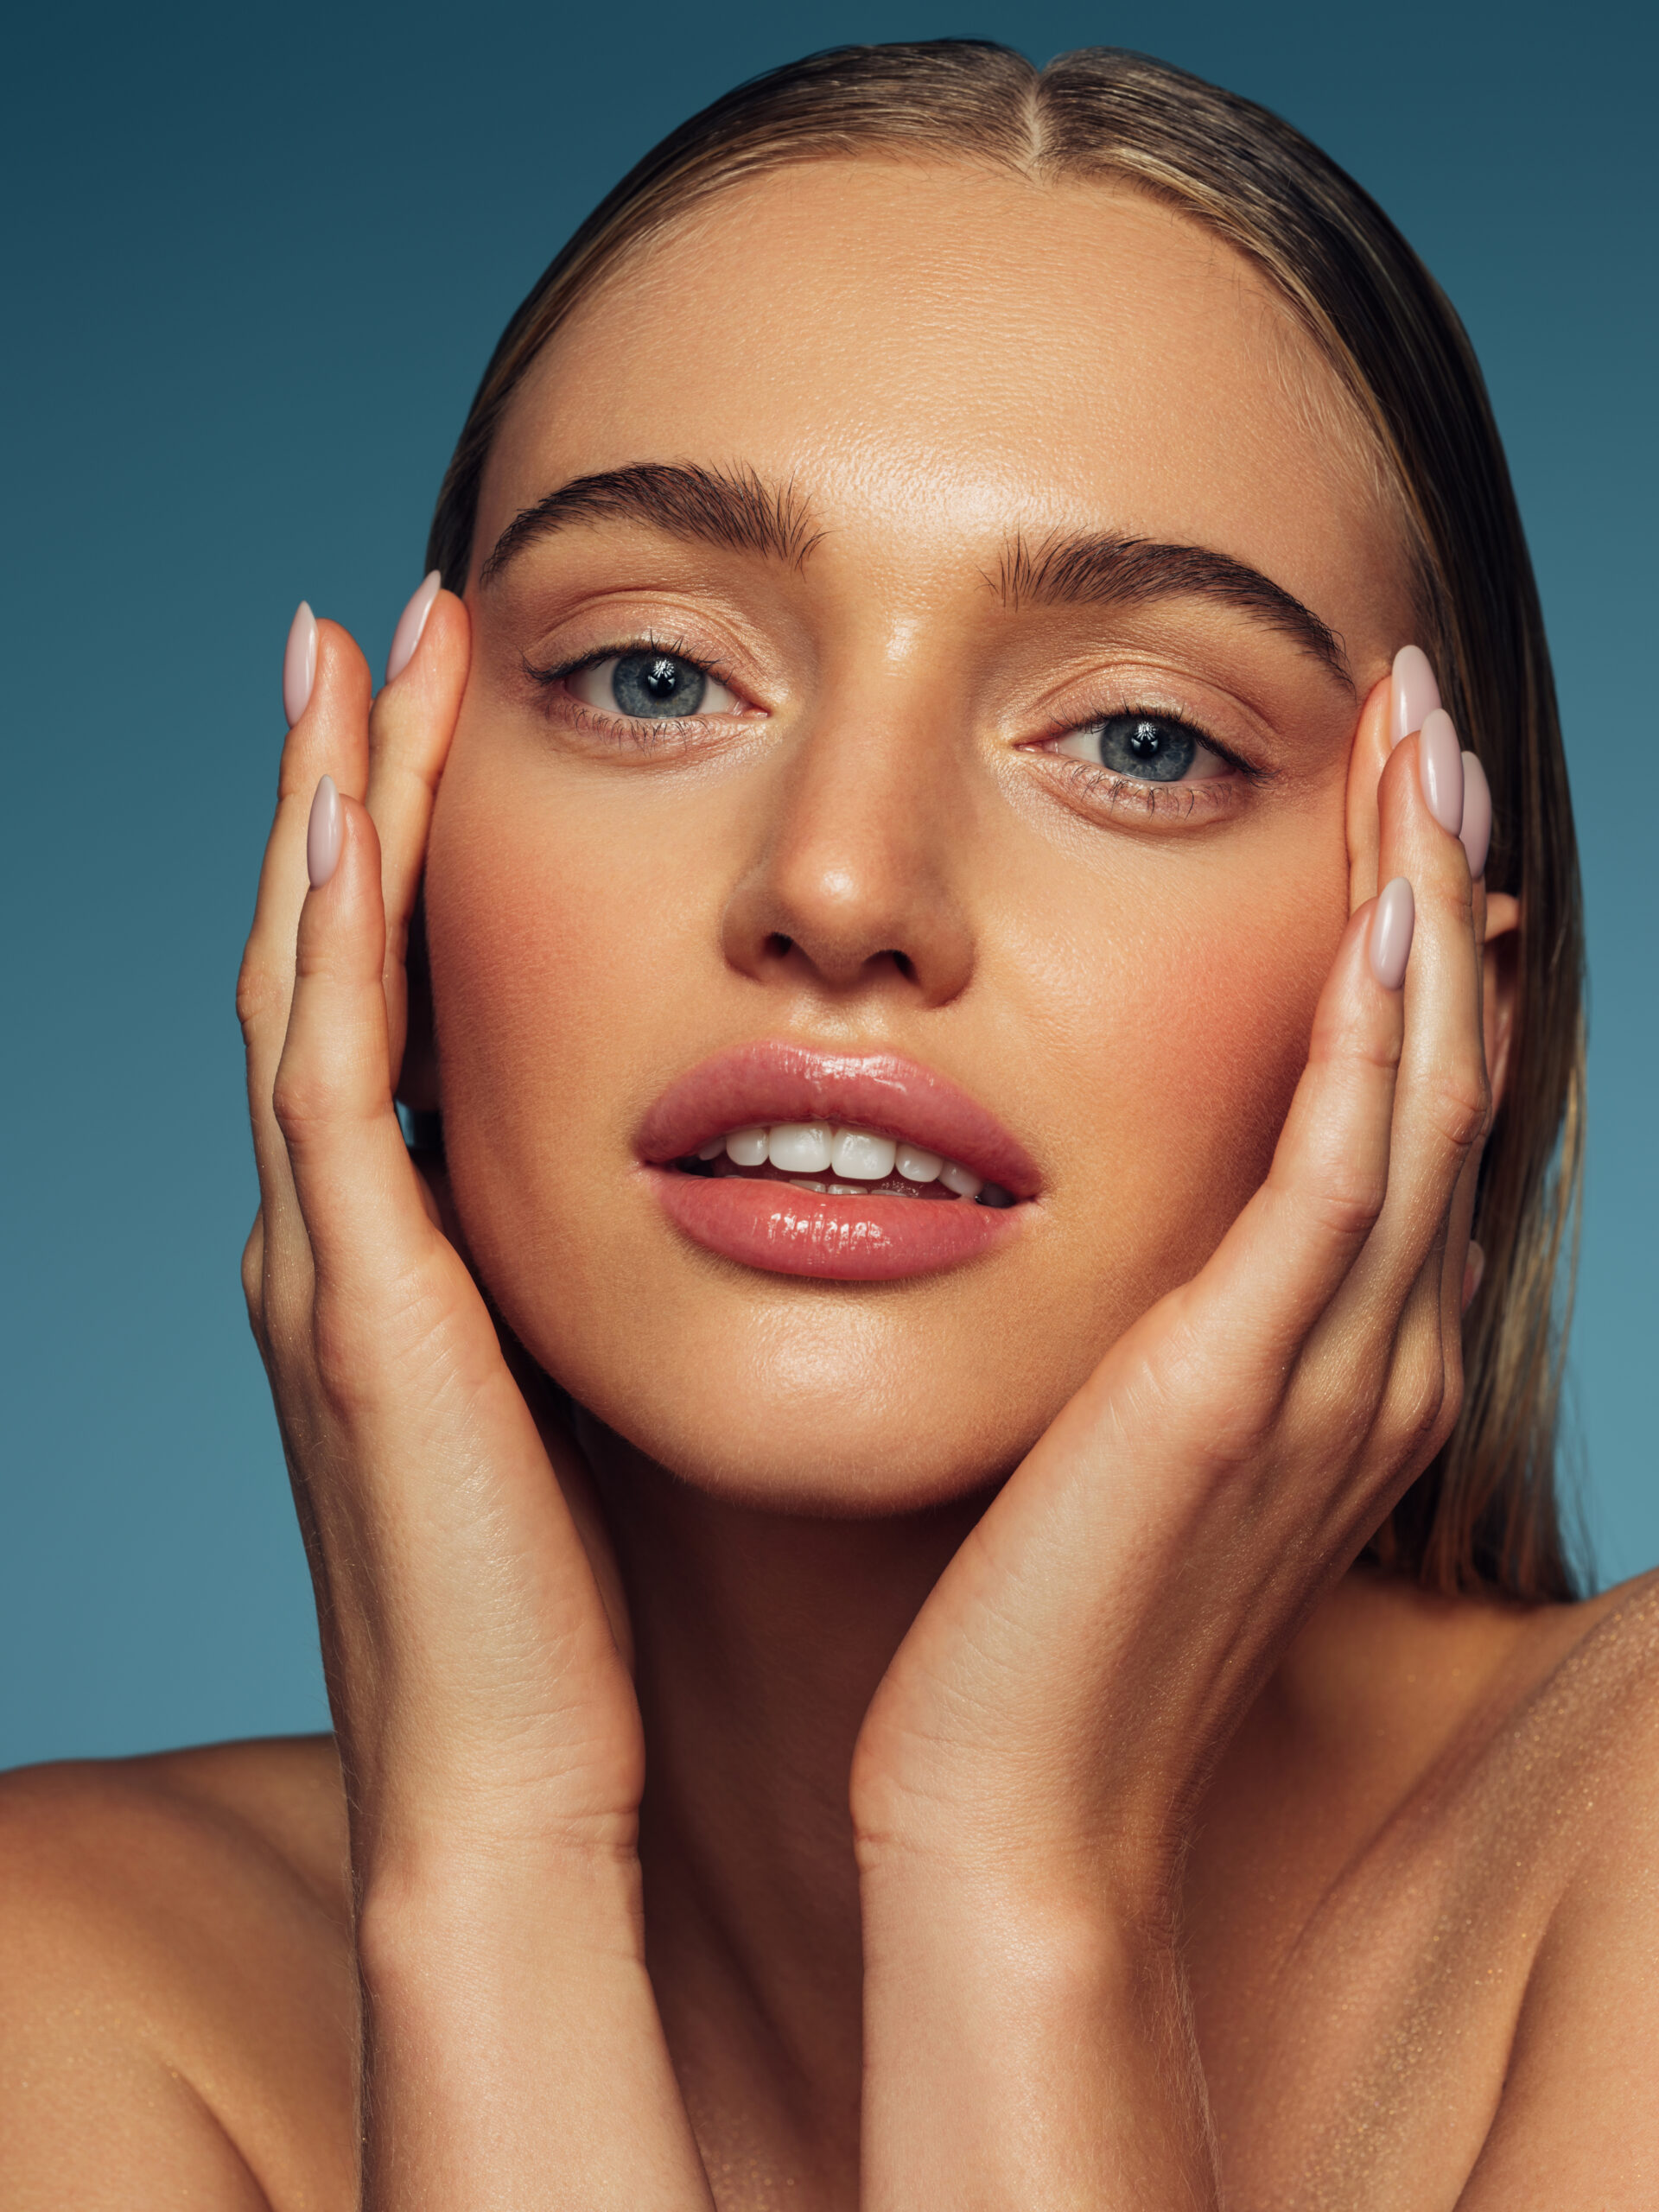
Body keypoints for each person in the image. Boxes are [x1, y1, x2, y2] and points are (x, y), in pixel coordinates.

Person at [3, 38, 1652, 2209]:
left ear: (1453, 1003)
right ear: (387, 866)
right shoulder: (74, 1993)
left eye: (1140, 733)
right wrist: (491, 1865)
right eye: (656, 676)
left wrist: (1018, 1880)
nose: (844, 884)